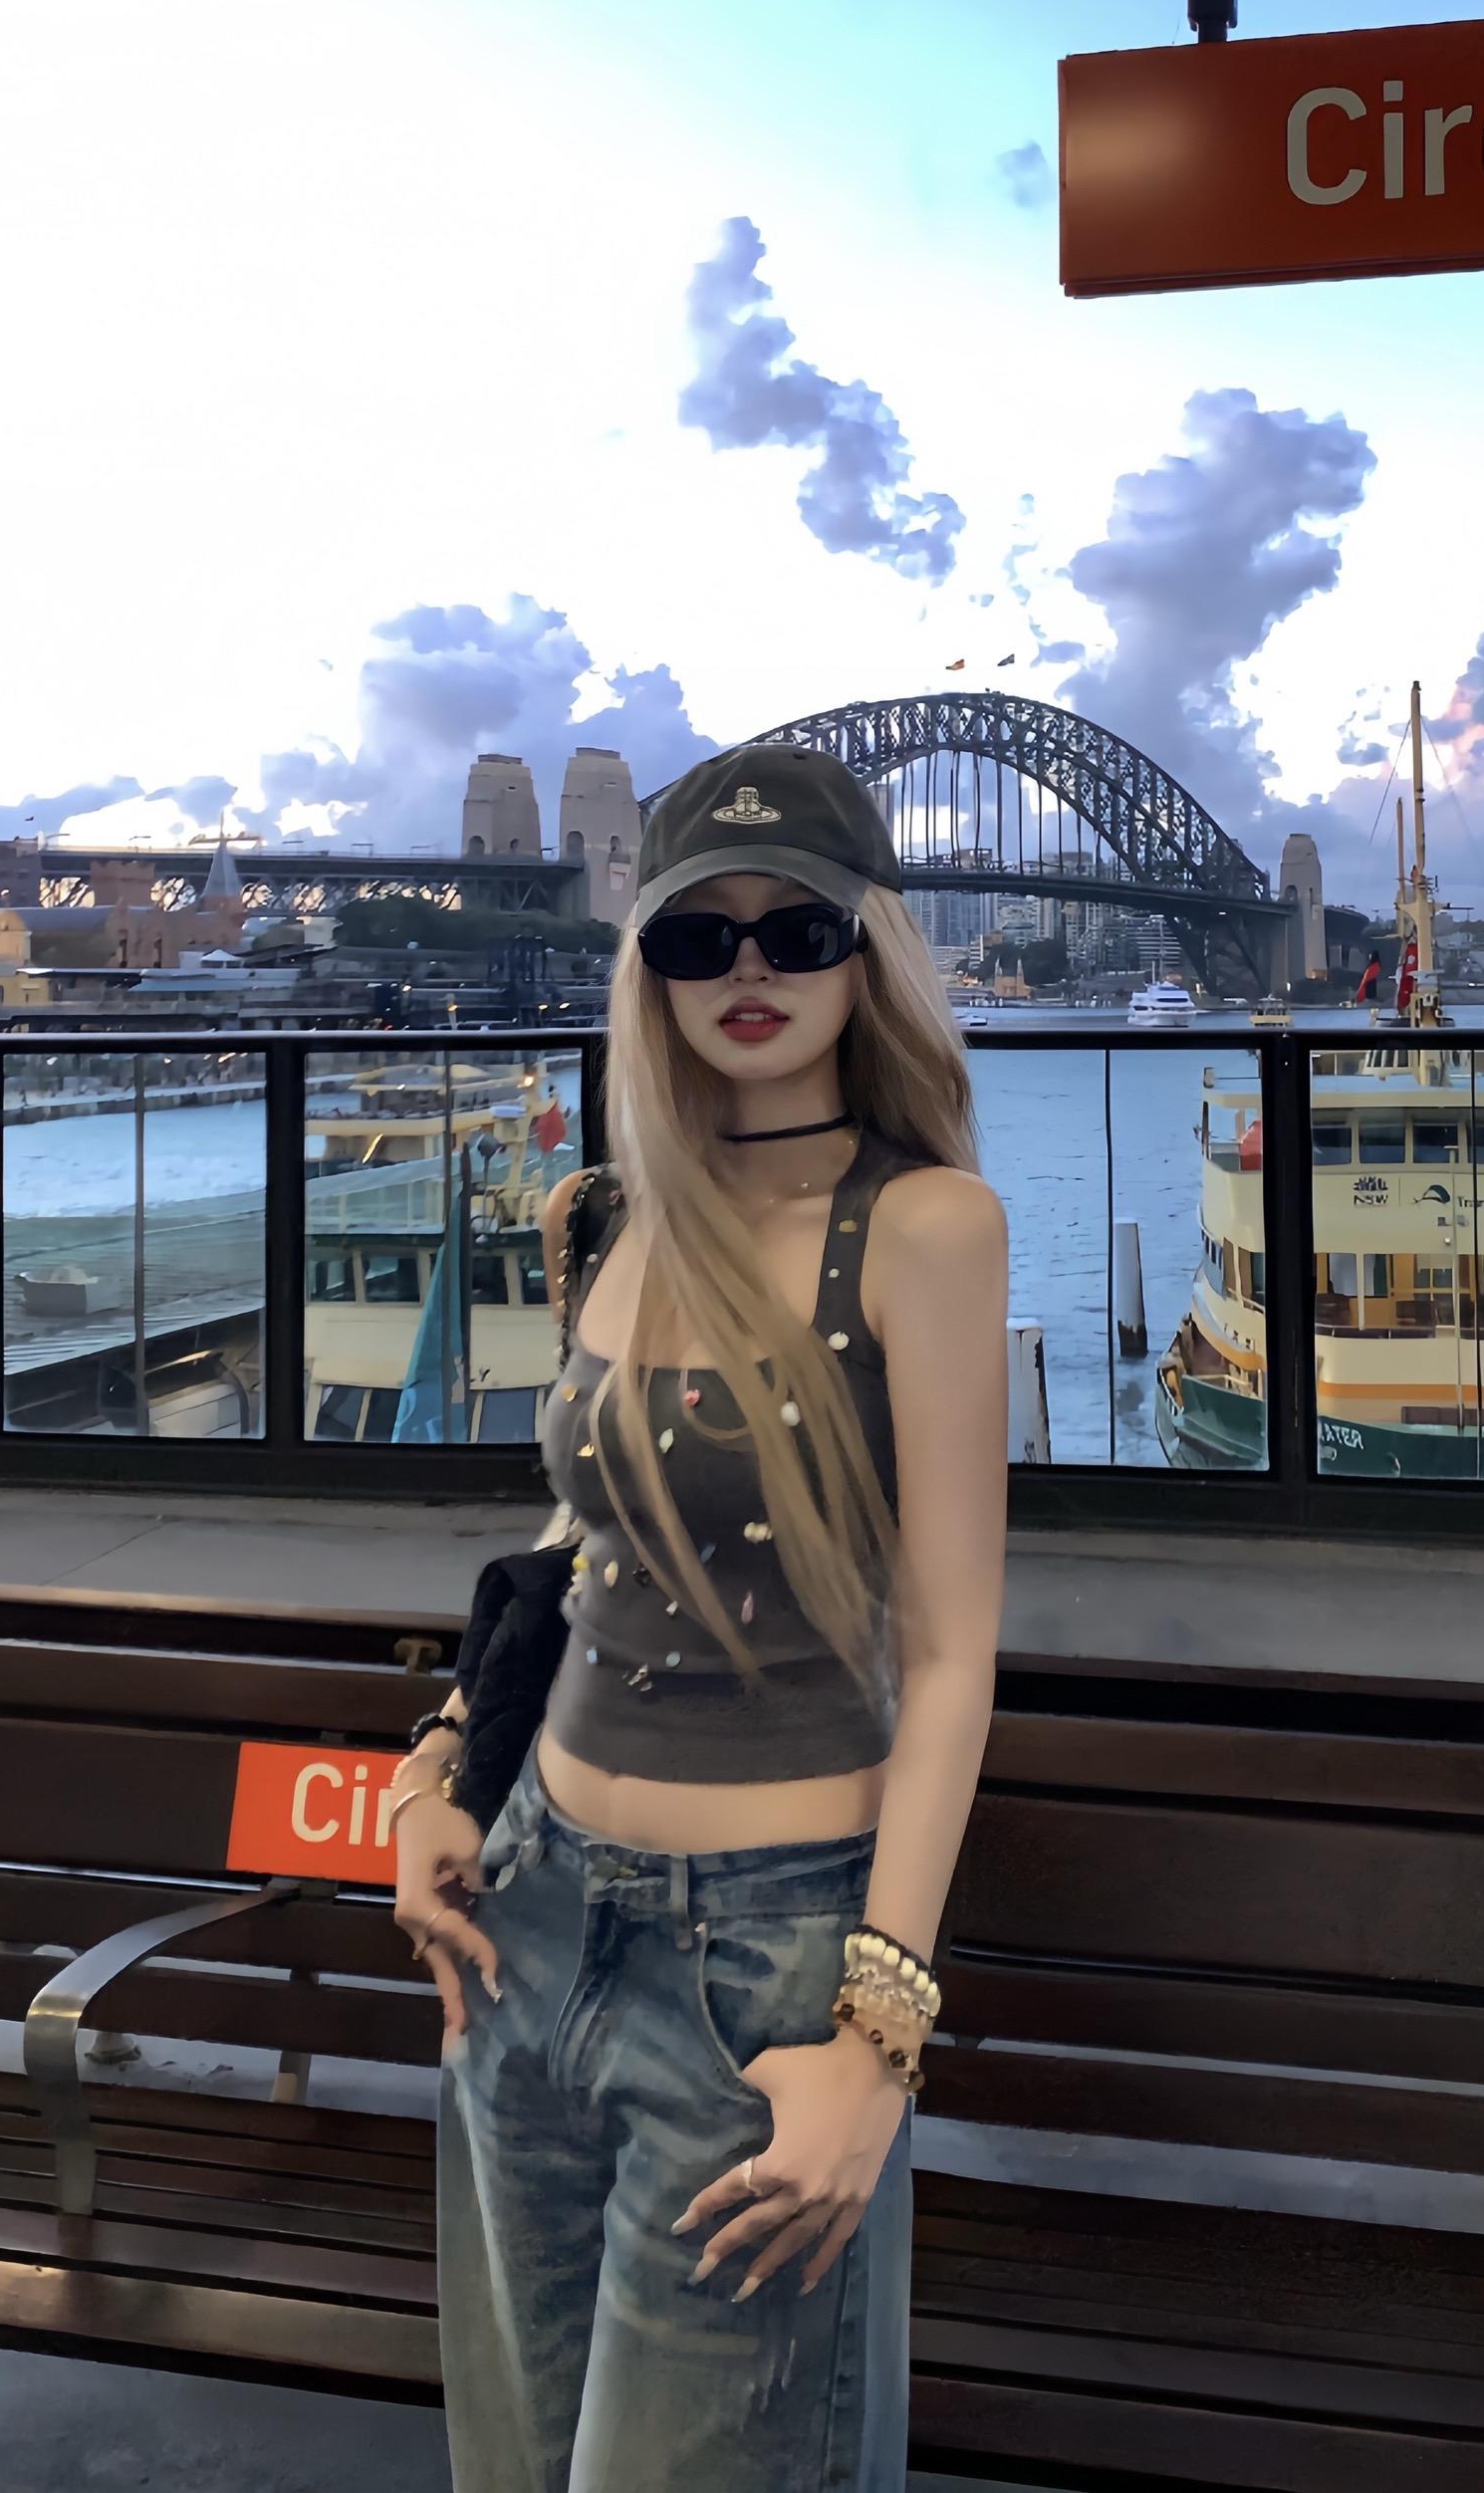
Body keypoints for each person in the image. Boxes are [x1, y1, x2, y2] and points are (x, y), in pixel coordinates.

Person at [388, 741, 1009, 2493]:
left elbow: (952, 1654)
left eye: (796, 930)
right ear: (644, 966)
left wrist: (876, 2043)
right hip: (528, 1917)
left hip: (762, 1966)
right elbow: (586, 1543)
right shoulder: (607, 1218)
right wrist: (439, 1766)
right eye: (694, 935)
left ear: (868, 953)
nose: (748, 969)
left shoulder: (925, 1228)